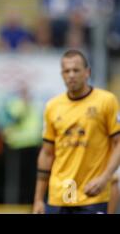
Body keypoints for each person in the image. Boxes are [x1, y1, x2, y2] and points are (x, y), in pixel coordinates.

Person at [33, 49, 120, 214]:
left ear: (87, 72)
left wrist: (105, 178)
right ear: (62, 74)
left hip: (93, 193)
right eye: (67, 71)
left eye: (76, 70)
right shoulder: (52, 106)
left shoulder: (106, 101)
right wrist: (38, 199)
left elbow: (118, 144)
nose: (71, 75)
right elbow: (47, 153)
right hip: (62, 193)